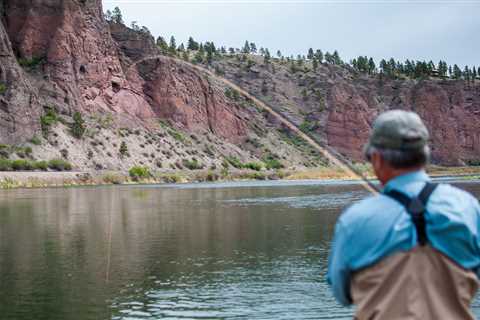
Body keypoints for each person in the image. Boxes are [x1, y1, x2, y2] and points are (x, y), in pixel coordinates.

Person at [327, 110, 480, 319]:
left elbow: (342, 295)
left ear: (378, 159)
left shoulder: (354, 220)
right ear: (424, 155)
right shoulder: (468, 207)